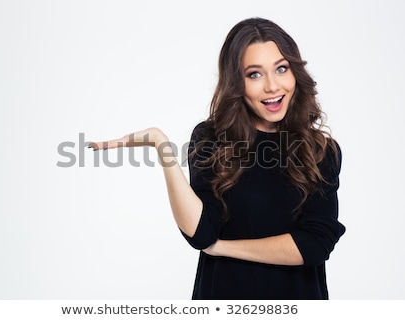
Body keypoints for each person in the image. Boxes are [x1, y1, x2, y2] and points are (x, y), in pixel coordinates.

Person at [88, 17, 345, 300]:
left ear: (295, 73)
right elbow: (200, 234)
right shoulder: (212, 139)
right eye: (255, 74)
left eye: (281, 69)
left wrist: (224, 248)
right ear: (237, 82)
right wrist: (161, 146)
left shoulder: (320, 150)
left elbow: (315, 244)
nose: (272, 86)